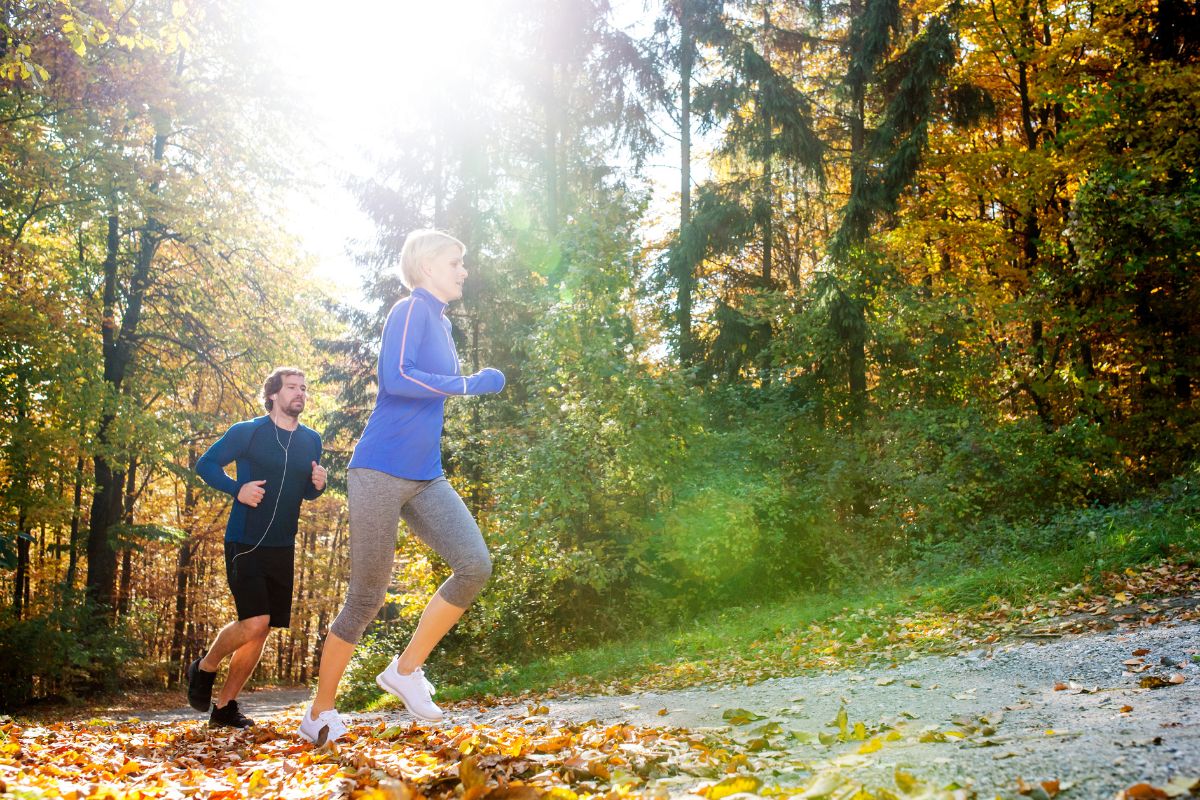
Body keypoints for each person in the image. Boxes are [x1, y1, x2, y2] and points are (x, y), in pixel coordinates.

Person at [298, 229, 505, 745]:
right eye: (457, 261)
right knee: (367, 596)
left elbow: (428, 384)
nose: (463, 271)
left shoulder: (440, 321)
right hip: (379, 470)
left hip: (425, 474)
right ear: (429, 265)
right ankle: (318, 713)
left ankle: (405, 671)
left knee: (475, 564)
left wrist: (463, 382)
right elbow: (397, 378)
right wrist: (468, 383)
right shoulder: (410, 309)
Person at [188, 367, 327, 728]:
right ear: (273, 394)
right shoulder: (247, 432)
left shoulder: (311, 440)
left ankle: (224, 708)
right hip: (245, 540)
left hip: (283, 544)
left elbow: (306, 491)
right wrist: (238, 489)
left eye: (303, 388)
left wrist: (318, 485)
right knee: (255, 621)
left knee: (262, 629)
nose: (300, 393)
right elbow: (206, 464)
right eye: (292, 387)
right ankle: (204, 666)